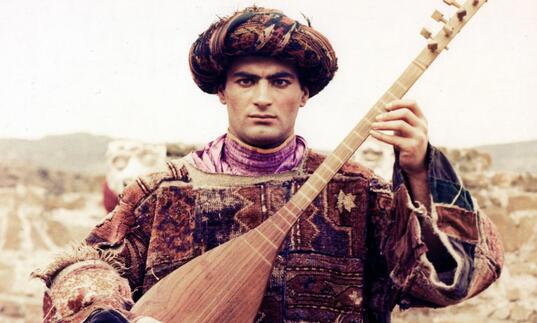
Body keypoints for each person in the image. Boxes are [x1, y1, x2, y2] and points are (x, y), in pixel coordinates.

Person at [33, 6, 503, 323]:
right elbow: (85, 264)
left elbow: (448, 281)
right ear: (223, 91)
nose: (262, 98)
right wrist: (101, 311)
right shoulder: (164, 192)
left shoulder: (359, 193)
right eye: (245, 81)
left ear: (303, 94)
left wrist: (420, 170)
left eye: (280, 82)